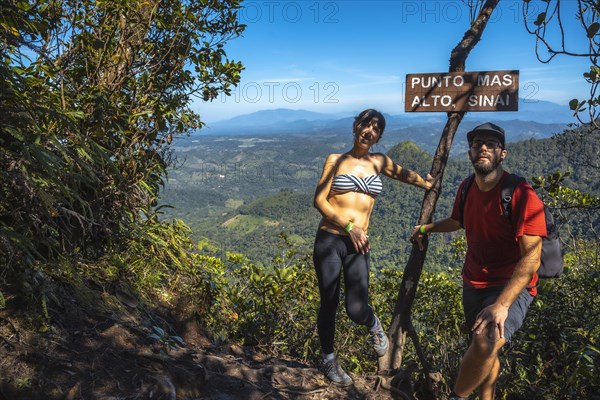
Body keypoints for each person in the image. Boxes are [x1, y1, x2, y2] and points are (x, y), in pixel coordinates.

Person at [411, 122, 547, 400]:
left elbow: (532, 258)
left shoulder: (520, 193)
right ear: (471, 153)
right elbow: (457, 221)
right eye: (476, 145)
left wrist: (502, 305)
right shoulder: (467, 187)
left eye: (491, 144)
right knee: (487, 349)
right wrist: (426, 229)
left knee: (486, 341)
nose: (482, 148)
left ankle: (457, 397)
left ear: (502, 153)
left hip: (510, 286)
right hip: (473, 283)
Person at [313, 109, 436, 386]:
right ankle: (330, 361)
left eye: (376, 128)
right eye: (366, 125)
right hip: (331, 239)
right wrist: (349, 227)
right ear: (356, 126)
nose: (370, 131)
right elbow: (319, 201)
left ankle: (374, 326)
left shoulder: (379, 162)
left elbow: (404, 174)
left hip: (360, 243)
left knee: (356, 308)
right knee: (328, 303)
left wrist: (426, 183)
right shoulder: (336, 160)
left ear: (379, 136)